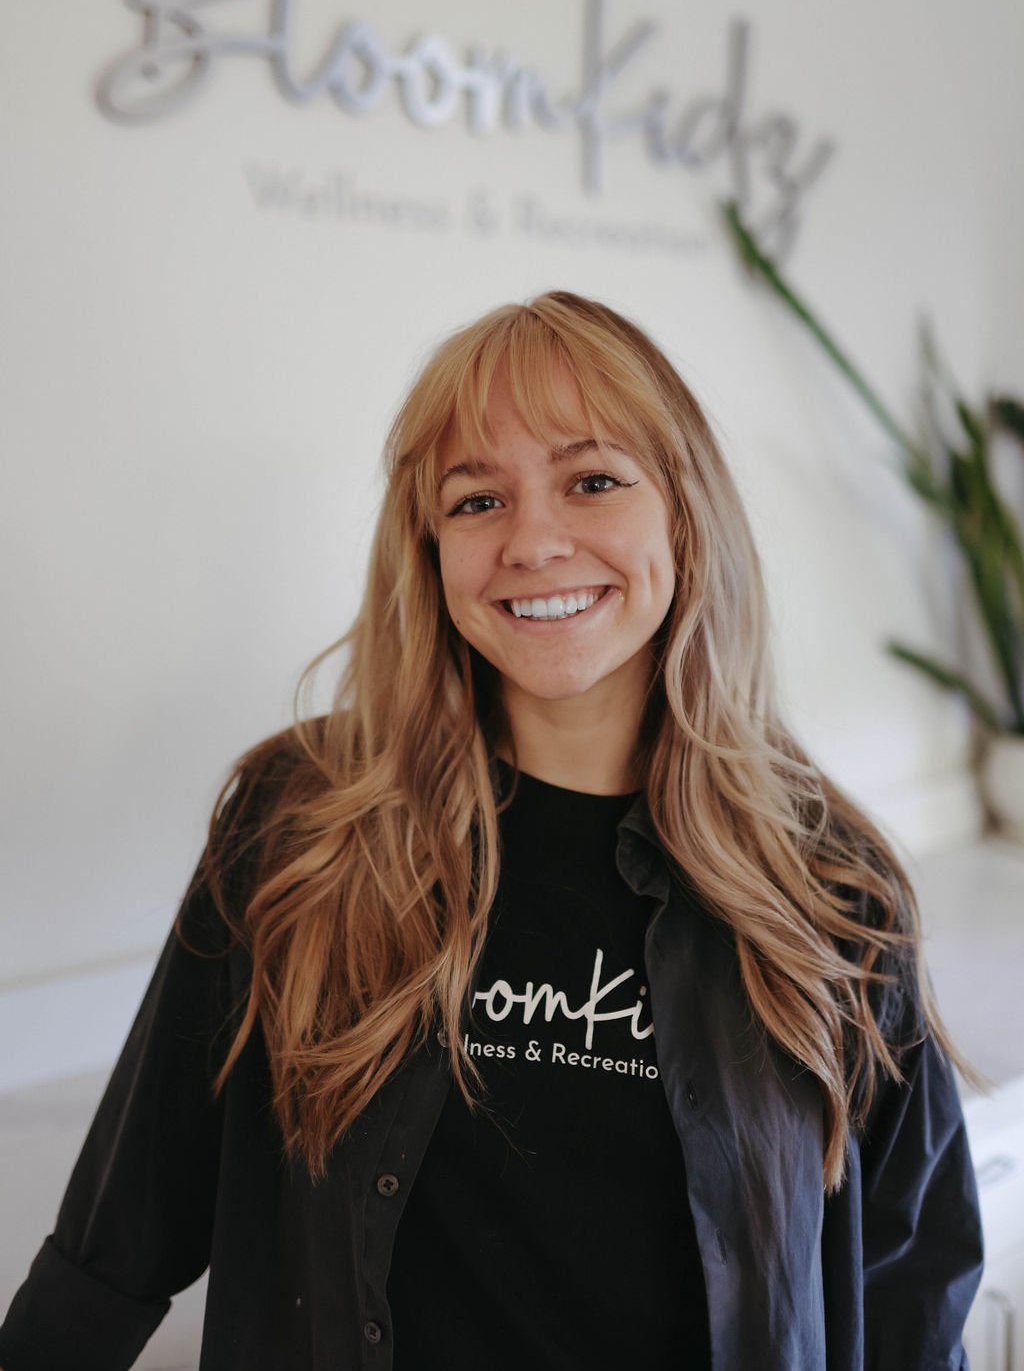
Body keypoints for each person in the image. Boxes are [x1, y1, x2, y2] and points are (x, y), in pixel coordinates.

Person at [0, 291, 983, 1370]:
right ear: (429, 547)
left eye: (592, 479)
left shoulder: (831, 886)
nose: (534, 541)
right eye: (477, 499)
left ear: (684, 510)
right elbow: (119, 1234)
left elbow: (912, 1284)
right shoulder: (299, 825)